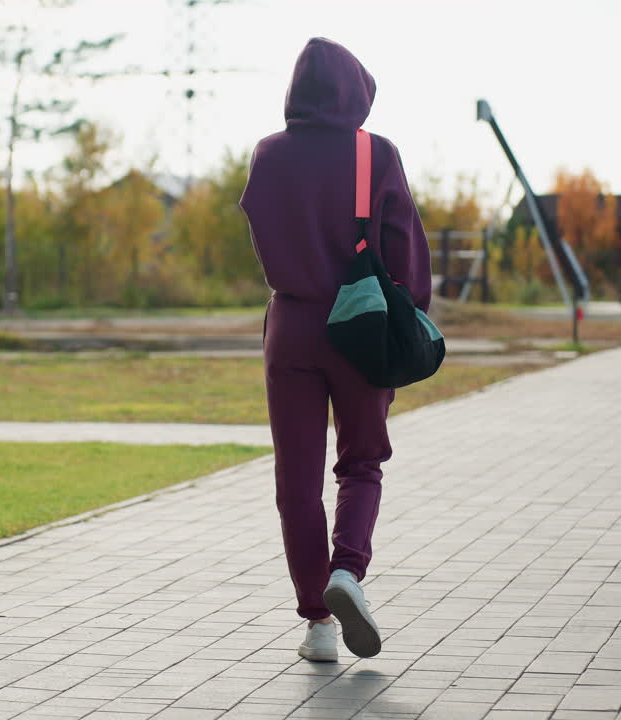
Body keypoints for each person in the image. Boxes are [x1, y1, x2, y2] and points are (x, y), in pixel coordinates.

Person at [239, 37, 431, 663]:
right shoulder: (375, 154)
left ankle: (318, 626)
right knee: (361, 462)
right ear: (357, 89)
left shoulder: (268, 155)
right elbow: (403, 245)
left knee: (296, 480)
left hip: (290, 324)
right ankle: (347, 571)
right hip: (362, 323)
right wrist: (407, 320)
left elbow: (265, 235)